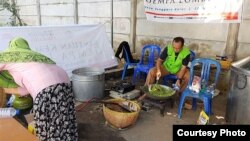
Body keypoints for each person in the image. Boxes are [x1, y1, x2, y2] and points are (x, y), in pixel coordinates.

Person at [0, 37, 78, 141]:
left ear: (11, 48)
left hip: (46, 89)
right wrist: (7, 89)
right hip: (65, 82)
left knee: (48, 126)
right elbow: (25, 90)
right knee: (64, 119)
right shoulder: (33, 56)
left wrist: (3, 89)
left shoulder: (6, 56)